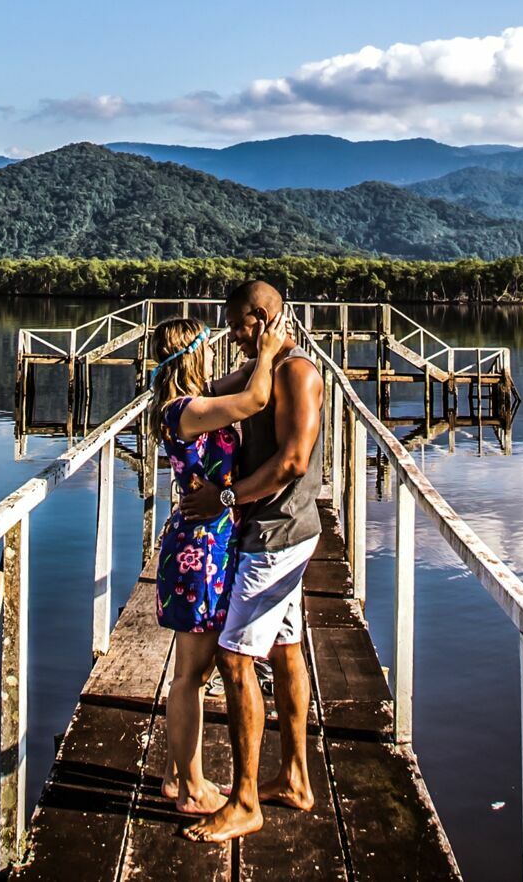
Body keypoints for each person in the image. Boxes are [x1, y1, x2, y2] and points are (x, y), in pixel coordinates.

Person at [179, 280, 325, 843]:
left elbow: (291, 462)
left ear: (260, 318)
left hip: (277, 534)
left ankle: (244, 802)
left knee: (235, 660)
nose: (230, 334)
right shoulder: (264, 367)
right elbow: (218, 394)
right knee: (286, 652)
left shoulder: (297, 374)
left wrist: (223, 497)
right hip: (274, 531)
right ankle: (294, 779)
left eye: (236, 324)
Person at [147, 310, 289, 814]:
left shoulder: (194, 402)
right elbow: (253, 398)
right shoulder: (184, 410)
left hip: (210, 542)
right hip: (199, 549)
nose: (215, 350)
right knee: (192, 673)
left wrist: (263, 352)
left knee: (194, 672)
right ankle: (189, 787)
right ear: (191, 353)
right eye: (207, 344)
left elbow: (239, 384)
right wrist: (269, 354)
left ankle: (175, 774)